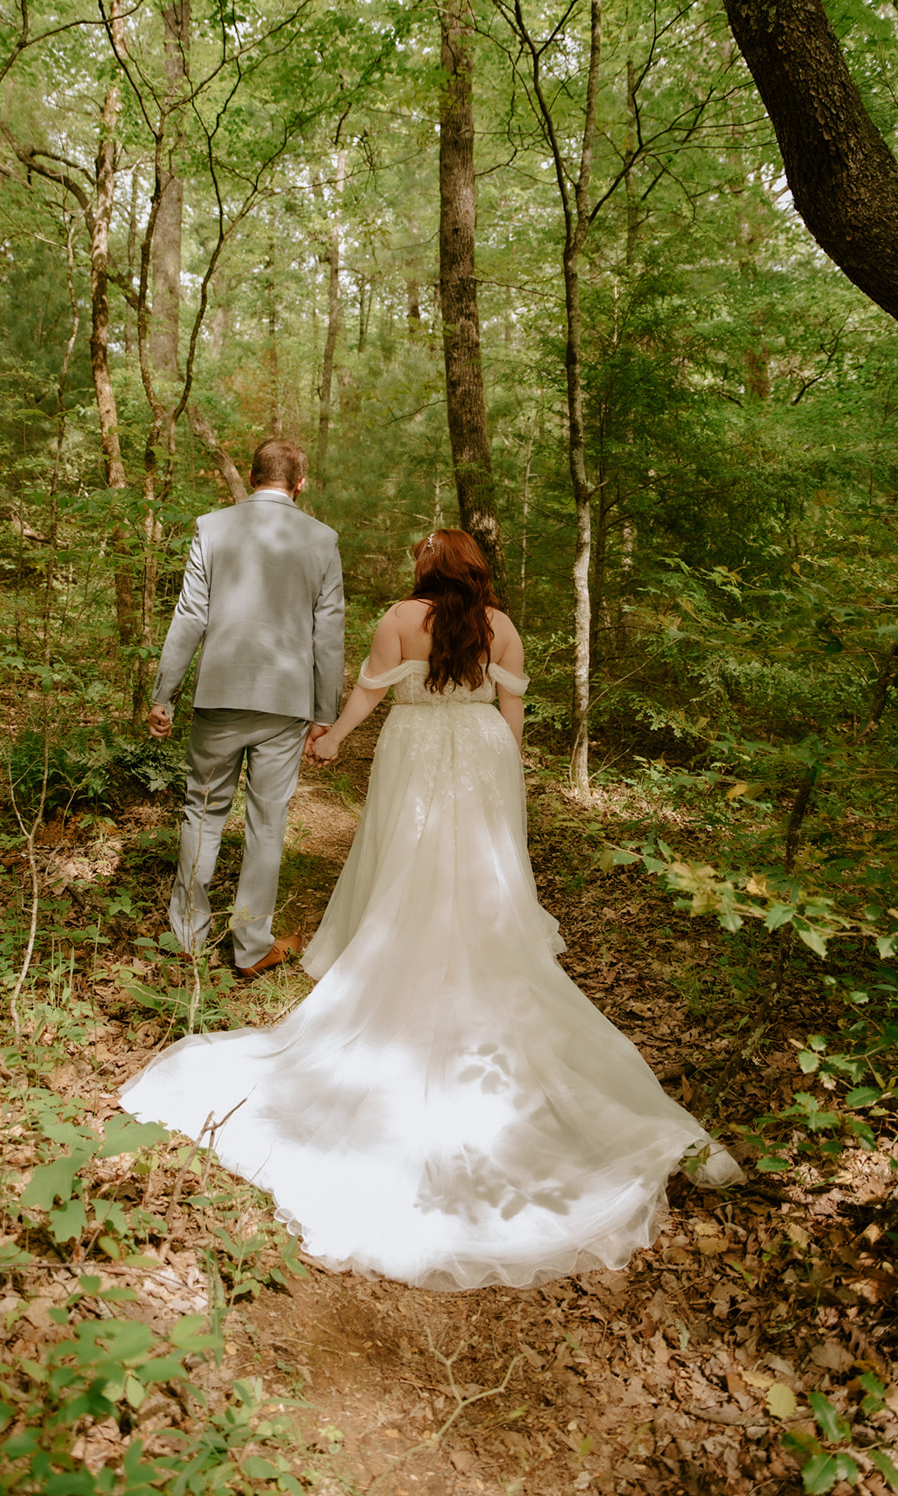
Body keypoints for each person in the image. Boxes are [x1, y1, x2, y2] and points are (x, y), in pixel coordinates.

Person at [123, 529, 741, 1289]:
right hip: (480, 752)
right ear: (475, 570)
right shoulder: (500, 626)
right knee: (477, 862)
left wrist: (334, 739)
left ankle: (399, 947)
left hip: (415, 747)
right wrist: (508, 778)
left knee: (408, 856)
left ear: (427, 568)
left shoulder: (397, 617)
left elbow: (370, 691)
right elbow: (512, 716)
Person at [147, 439, 344, 978]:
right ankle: (252, 945)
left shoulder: (212, 527)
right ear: (298, 483)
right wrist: (325, 713)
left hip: (219, 694)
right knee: (267, 822)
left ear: (251, 476)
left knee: (201, 811)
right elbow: (328, 635)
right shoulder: (322, 539)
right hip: (286, 703)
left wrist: (164, 694)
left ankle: (187, 936)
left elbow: (190, 615)